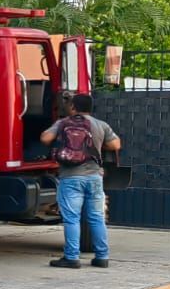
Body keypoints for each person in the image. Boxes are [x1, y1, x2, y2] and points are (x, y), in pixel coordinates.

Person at [40, 92, 120, 268]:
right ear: (90, 108)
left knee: (72, 218)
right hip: (94, 177)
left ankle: (72, 257)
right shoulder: (100, 125)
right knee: (96, 217)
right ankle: (102, 257)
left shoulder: (63, 123)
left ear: (73, 107)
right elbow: (116, 144)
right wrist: (97, 143)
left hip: (70, 177)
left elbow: (45, 138)